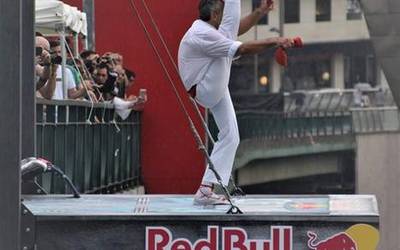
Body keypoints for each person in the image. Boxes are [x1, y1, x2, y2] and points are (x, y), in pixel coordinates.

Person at [178, 0, 294, 205]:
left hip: (213, 85)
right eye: (221, 15)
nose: (226, 21)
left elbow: (234, 29)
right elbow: (243, 48)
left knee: (231, 136)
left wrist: (260, 12)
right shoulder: (202, 34)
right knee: (232, 42)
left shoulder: (210, 28)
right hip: (205, 87)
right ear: (214, 14)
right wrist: (274, 41)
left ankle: (205, 190)